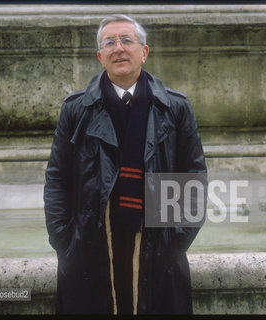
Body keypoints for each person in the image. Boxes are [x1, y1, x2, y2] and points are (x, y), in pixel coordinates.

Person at [44, 14, 207, 314]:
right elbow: (57, 181)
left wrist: (172, 246)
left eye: (126, 41)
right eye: (110, 43)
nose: (118, 48)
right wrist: (67, 246)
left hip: (155, 249)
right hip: (91, 250)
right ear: (100, 57)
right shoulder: (76, 110)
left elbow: (193, 179)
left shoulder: (175, 108)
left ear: (144, 52)